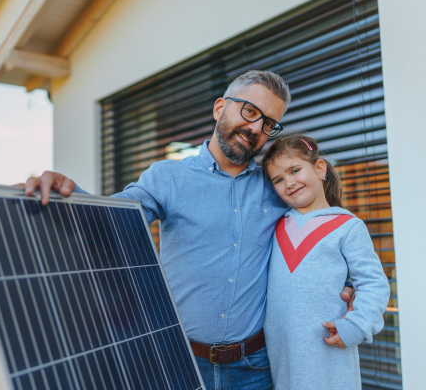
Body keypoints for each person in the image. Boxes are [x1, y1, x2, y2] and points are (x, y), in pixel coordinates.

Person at [24, 70, 353, 389]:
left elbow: (321, 229)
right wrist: (67, 194)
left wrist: (346, 285)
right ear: (220, 108)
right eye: (250, 111)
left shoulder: (276, 186)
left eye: (268, 124)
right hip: (178, 361)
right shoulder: (168, 177)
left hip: (253, 368)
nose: (255, 128)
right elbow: (112, 218)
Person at [261, 134, 390, 389]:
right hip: (281, 358)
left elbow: (373, 282)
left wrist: (355, 326)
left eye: (295, 170)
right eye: (278, 179)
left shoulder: (348, 226)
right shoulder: (272, 226)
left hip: (330, 349)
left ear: (320, 169)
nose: (289, 182)